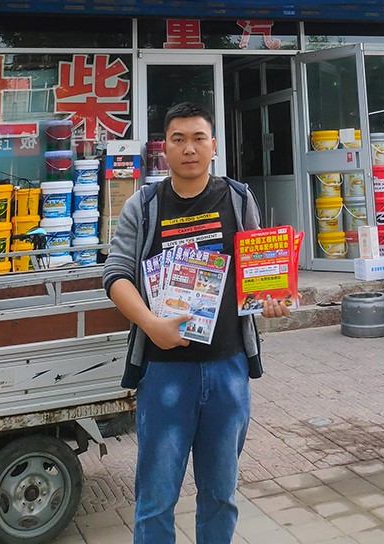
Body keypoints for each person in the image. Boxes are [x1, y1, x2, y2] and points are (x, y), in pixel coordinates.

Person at [103, 101, 288, 544]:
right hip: (164, 371)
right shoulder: (144, 205)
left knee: (221, 495)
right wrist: (151, 324)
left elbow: (257, 272)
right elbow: (115, 275)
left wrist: (271, 299)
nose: (189, 148)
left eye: (198, 138)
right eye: (178, 139)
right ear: (164, 148)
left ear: (213, 145)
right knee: (155, 498)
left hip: (228, 368)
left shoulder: (239, 198)